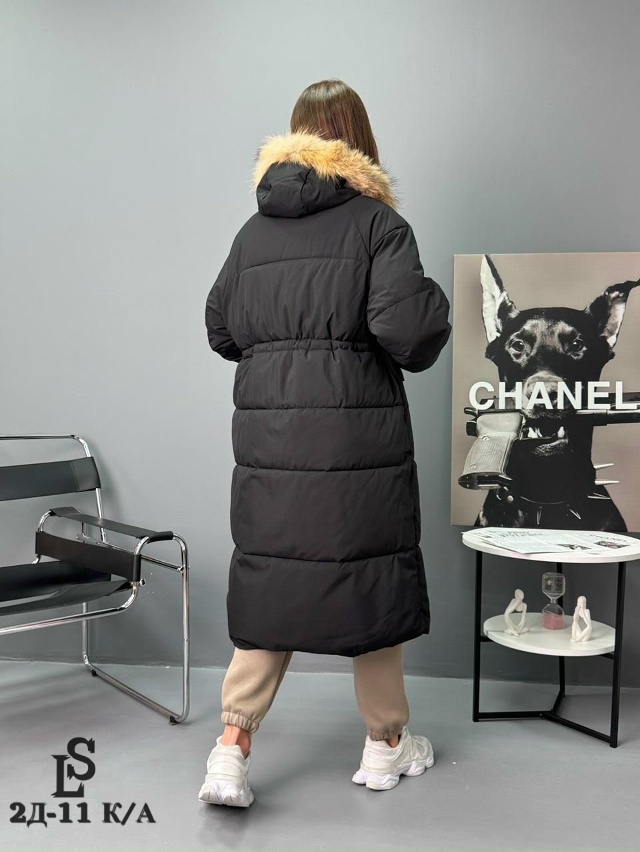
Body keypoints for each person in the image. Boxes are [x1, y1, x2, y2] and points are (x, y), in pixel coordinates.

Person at [199, 79, 451, 808]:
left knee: (274, 577)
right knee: (368, 577)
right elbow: (411, 334)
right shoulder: (378, 226)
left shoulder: (252, 234)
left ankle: (230, 749)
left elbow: (220, 328)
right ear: (357, 140)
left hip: (271, 443)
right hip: (355, 443)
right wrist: (431, 299)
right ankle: (384, 745)